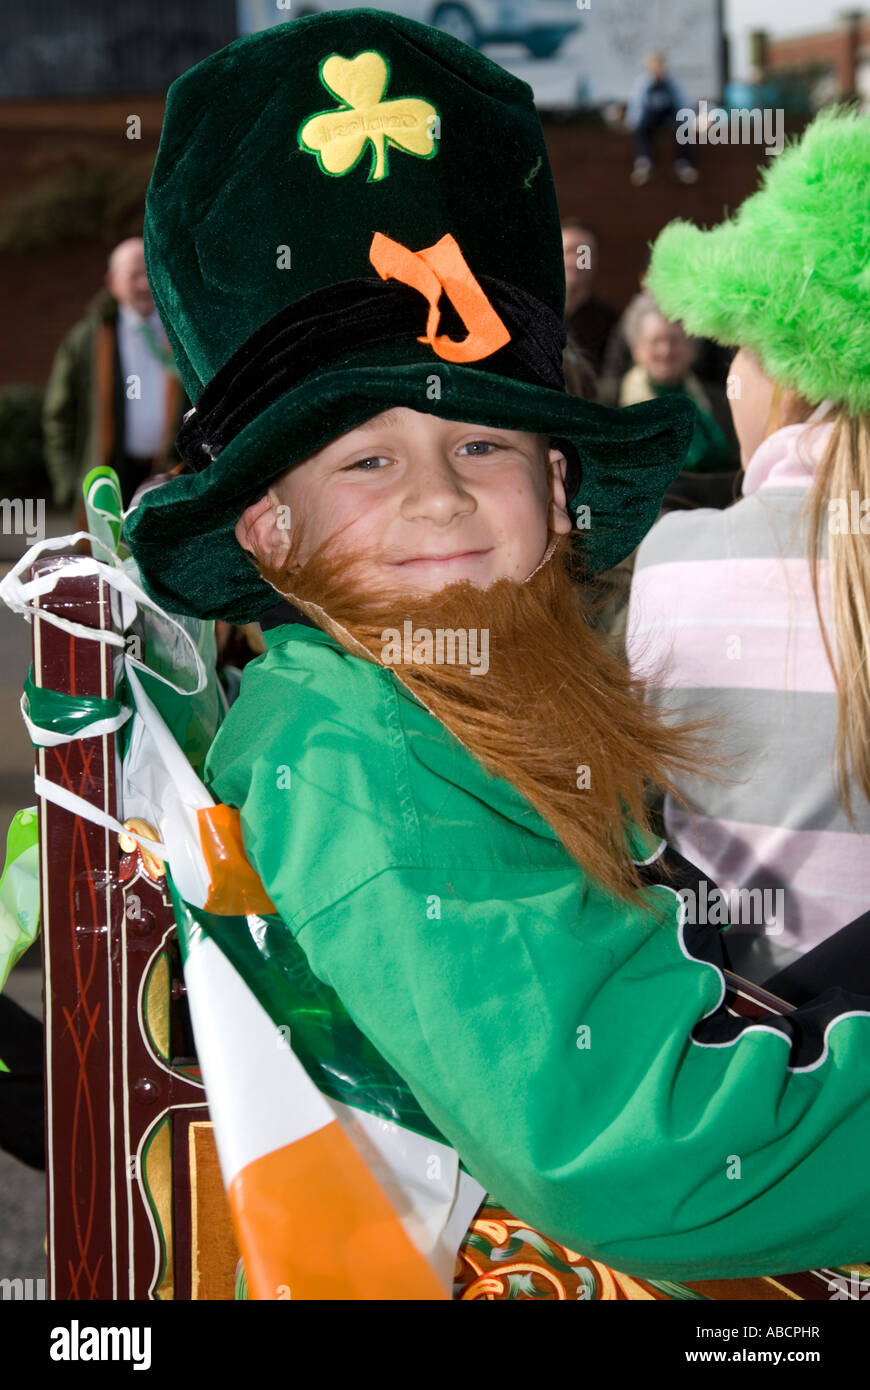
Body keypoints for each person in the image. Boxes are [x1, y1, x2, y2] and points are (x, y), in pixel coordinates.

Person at [126, 15, 870, 1284]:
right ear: (269, 525)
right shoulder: (359, 768)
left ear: (558, 481)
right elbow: (644, 1156)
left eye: (483, 446)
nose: (439, 500)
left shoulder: (436, 698)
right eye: (366, 458)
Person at [627, 108, 870, 985]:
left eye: (738, 346)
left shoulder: (673, 561)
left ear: (789, 377)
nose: (728, 373)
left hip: (763, 1059)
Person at [42, 237, 187, 525]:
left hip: (170, 474)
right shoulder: (87, 340)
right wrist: (69, 486)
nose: (145, 284)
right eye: (134, 275)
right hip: (109, 477)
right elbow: (59, 416)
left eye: (149, 272)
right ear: (112, 282)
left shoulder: (181, 332)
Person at [614, 290, 739, 503]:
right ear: (637, 349)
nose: (666, 351)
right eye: (655, 341)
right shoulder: (612, 403)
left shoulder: (717, 400)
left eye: (675, 340)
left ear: (692, 347)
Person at [625, 50, 698, 186]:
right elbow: (637, 104)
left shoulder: (672, 82)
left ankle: (684, 164)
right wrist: (632, 121)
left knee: (682, 128)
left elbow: (682, 103)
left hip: (668, 115)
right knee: (642, 127)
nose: (657, 69)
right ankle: (644, 163)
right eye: (654, 65)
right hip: (651, 115)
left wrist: (691, 120)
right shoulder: (643, 83)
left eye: (659, 65)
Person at [560, 219, 620, 383]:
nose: (576, 261)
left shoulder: (610, 320)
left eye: (584, 253)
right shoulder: (536, 312)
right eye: (570, 251)